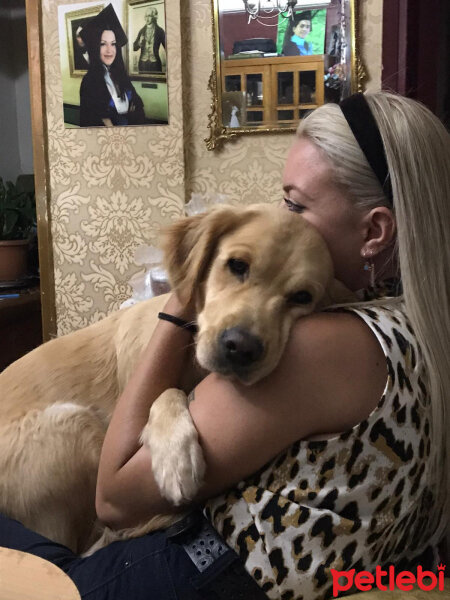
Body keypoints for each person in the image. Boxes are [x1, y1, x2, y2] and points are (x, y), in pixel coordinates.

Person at [1, 91, 448, 599]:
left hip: (198, 572)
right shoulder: (417, 324)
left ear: (375, 230)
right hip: (30, 444)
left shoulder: (327, 344)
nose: (283, 220)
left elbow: (115, 499)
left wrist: (180, 306)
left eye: (296, 203)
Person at [79, 4, 146, 127]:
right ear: (95, 48)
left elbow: (139, 107)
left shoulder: (122, 76)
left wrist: (111, 118)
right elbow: (89, 120)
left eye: (113, 44)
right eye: (103, 44)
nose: (110, 50)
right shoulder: (89, 82)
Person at [133, 7, 166, 73]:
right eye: (146, 16)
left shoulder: (160, 31)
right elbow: (134, 47)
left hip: (155, 64)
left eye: (149, 16)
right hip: (143, 64)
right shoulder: (141, 31)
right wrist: (139, 43)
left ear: (154, 17)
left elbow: (168, 47)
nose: (147, 19)